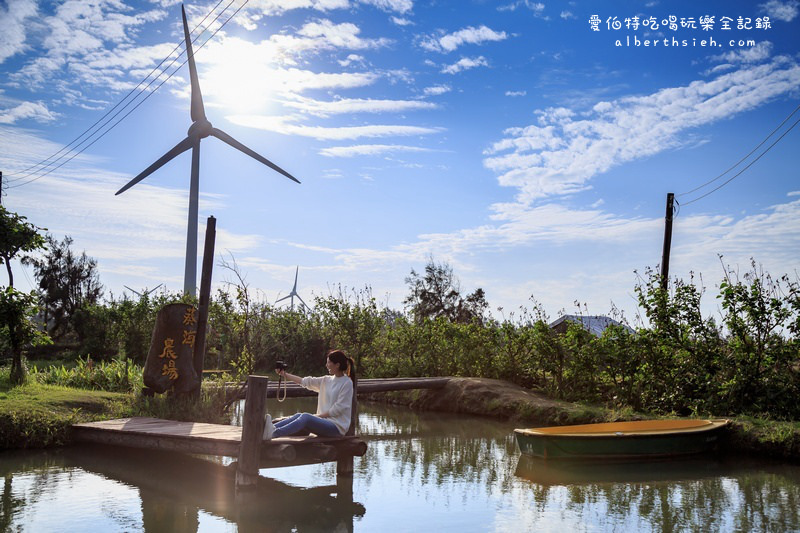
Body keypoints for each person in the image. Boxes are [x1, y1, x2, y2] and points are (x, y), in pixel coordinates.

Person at [263, 349, 355, 439]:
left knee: (306, 417)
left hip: (336, 428)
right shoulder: (326, 380)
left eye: (329, 363)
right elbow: (305, 382)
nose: (326, 365)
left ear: (337, 365)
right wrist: (285, 374)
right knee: (299, 415)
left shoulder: (347, 383)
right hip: (324, 422)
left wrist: (317, 416)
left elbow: (338, 409)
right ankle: (268, 429)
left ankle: (274, 433)